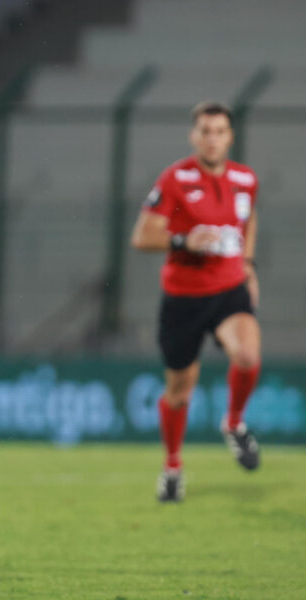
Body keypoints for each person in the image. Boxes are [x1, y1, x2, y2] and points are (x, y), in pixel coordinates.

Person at [130, 101, 262, 502]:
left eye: (219, 131)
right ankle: (172, 467)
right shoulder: (175, 178)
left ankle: (234, 424)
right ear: (194, 136)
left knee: (248, 354)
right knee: (180, 391)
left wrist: (248, 264)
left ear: (230, 137)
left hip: (228, 289)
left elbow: (249, 218)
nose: (212, 138)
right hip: (184, 297)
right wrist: (184, 239)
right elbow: (142, 236)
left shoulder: (246, 178)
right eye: (205, 131)